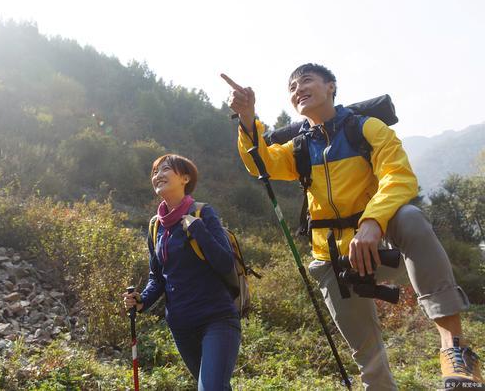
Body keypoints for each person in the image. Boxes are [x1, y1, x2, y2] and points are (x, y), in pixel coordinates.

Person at [223, 64, 482, 390]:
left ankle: (454, 350)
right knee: (368, 358)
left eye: (306, 80)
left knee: (410, 218)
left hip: (383, 249)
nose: (298, 88)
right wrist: (247, 117)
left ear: (331, 86)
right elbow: (261, 163)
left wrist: (372, 224)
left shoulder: (367, 129)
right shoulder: (300, 148)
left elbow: (397, 177)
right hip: (334, 261)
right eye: (292, 86)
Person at [122, 154, 241, 391]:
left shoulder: (202, 213)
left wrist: (197, 229)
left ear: (185, 178)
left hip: (216, 319)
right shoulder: (156, 225)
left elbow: (226, 263)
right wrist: (141, 301)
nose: (157, 176)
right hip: (181, 326)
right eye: (155, 172)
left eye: (165, 169)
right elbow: (158, 277)